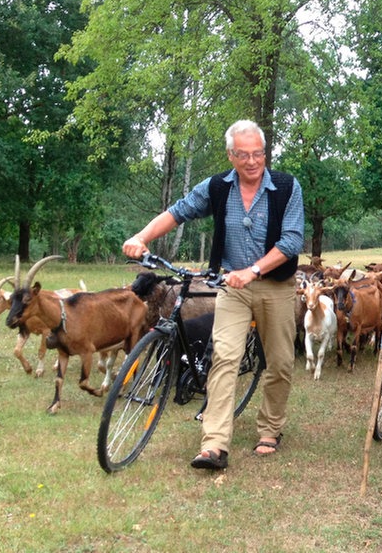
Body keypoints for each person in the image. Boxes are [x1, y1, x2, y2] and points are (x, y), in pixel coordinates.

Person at [122, 119, 304, 471]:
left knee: (280, 362)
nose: (252, 161)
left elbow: (292, 240)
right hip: (232, 290)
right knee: (223, 358)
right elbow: (179, 211)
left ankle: (270, 428)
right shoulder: (218, 187)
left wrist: (252, 271)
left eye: (258, 154)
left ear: (265, 153)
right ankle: (215, 444)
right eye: (243, 155)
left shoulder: (286, 187)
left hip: (276, 287)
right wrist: (141, 237)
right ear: (230, 155)